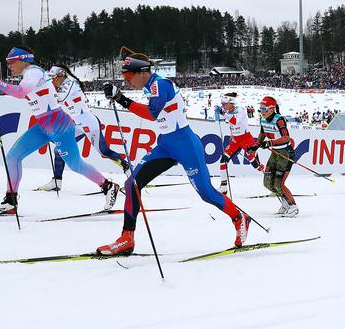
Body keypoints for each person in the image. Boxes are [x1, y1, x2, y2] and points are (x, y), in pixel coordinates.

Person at [97, 53, 248, 255]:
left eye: (128, 78)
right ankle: (127, 238)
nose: (127, 82)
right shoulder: (150, 86)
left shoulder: (161, 85)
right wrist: (119, 96)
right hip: (166, 145)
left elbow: (152, 113)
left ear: (142, 72)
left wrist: (121, 99)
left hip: (186, 145)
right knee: (132, 183)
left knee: (206, 193)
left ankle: (239, 217)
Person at [0, 47, 119, 216]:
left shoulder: (33, 72)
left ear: (24, 60)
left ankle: (108, 186)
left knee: (75, 165)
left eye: (11, 62)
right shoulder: (30, 73)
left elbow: (20, 92)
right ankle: (10, 201)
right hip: (43, 126)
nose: (9, 66)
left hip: (59, 125)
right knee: (12, 157)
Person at [36, 64, 128, 191]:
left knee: (104, 152)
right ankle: (57, 181)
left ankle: (130, 172)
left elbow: (58, 98)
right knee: (59, 149)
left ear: (62, 75)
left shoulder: (71, 84)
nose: (53, 80)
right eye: (51, 78)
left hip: (88, 123)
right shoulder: (61, 85)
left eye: (54, 77)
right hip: (77, 124)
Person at [253, 96, 298, 217]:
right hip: (275, 153)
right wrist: (255, 145)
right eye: (260, 109)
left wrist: (270, 143)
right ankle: (285, 202)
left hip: (285, 153)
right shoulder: (263, 119)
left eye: (264, 109)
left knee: (279, 184)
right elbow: (262, 133)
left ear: (272, 109)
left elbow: (286, 138)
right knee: (268, 183)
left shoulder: (279, 120)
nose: (262, 112)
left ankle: (293, 205)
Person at [217, 92, 264, 194]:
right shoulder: (228, 111)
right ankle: (223, 186)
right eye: (222, 103)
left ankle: (268, 176)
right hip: (236, 140)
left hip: (246, 139)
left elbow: (235, 121)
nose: (223, 105)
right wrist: (232, 135)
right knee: (223, 160)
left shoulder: (240, 110)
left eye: (224, 103)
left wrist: (223, 113)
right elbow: (232, 126)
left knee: (254, 163)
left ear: (231, 102)